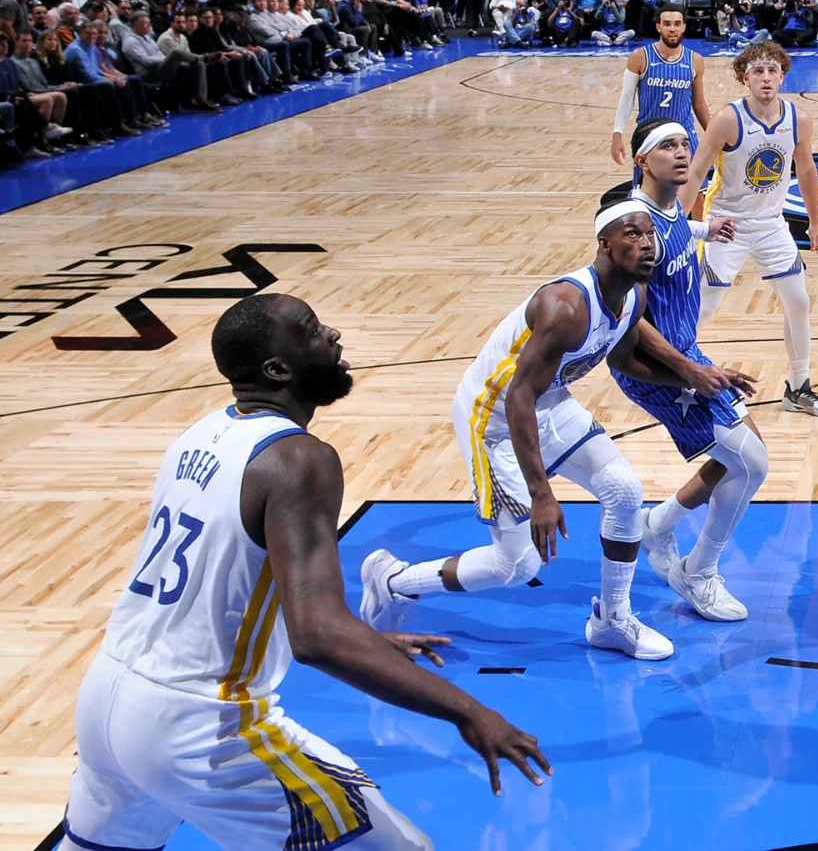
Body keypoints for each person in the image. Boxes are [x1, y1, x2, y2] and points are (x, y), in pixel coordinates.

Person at [57, 295, 548, 851]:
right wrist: (469, 710)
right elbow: (316, 637)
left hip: (104, 702)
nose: (334, 334)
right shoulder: (298, 459)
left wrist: (366, 640)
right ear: (278, 369)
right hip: (200, 725)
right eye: (314, 330)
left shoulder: (195, 435)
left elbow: (213, 591)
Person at [358, 204, 693, 660]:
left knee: (624, 489)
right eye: (632, 234)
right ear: (605, 244)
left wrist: (693, 376)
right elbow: (518, 399)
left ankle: (612, 620)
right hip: (494, 416)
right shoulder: (565, 307)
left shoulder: (634, 293)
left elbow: (622, 357)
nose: (647, 243)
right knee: (517, 564)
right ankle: (393, 582)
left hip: (548, 402)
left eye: (650, 234)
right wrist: (541, 494)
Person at [609, 119, 773, 622]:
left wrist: (708, 228)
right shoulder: (635, 230)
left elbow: (680, 227)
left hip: (686, 351)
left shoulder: (670, 203)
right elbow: (629, 325)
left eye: (685, 144)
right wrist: (691, 373)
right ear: (642, 160)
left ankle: (659, 523)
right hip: (653, 366)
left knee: (741, 452)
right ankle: (697, 572)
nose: (682, 153)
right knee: (752, 463)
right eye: (667, 147)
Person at [683, 41, 818, 417]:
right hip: (727, 224)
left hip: (772, 224)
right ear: (744, 78)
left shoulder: (798, 119)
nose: (766, 78)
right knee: (704, 308)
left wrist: (815, 222)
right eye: (758, 71)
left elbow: (806, 170)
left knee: (799, 302)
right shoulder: (726, 119)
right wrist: (679, 223)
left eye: (772, 71)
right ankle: (681, 377)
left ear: (782, 76)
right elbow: (696, 173)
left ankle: (798, 387)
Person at [612, 4, 708, 166]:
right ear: (658, 27)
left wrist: (714, 135)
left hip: (683, 136)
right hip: (650, 136)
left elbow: (698, 103)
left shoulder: (695, 60)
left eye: (677, 24)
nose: (672, 29)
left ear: (684, 27)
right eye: (667, 24)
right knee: (647, 191)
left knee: (696, 191)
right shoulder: (640, 56)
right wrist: (617, 134)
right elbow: (627, 97)